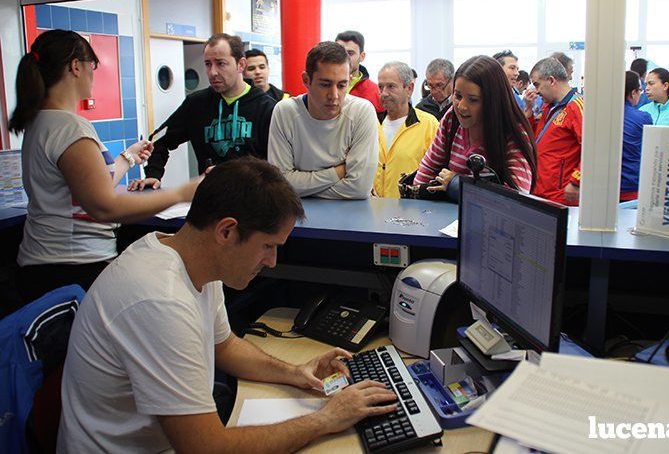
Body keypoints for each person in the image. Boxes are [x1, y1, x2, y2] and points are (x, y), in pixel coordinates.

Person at [57, 158, 398, 452]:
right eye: (268, 246)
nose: (273, 262)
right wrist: (326, 419)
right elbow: (206, 448)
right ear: (226, 232)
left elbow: (225, 345)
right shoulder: (160, 299)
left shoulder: (190, 259)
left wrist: (297, 373)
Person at [8, 30, 199, 303]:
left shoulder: (41, 122)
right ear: (76, 66)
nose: (93, 74)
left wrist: (128, 158)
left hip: (44, 265)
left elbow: (85, 189)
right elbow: (103, 206)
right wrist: (182, 193)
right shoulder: (69, 127)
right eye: (92, 66)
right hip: (71, 269)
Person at [129, 33, 276, 190]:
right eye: (207, 64)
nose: (212, 72)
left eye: (221, 64)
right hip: (210, 198)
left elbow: (276, 166)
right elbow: (160, 142)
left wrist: (231, 174)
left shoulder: (267, 107)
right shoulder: (196, 104)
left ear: (240, 65)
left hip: (254, 198)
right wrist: (153, 175)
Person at [414, 55, 536, 200]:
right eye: (457, 96)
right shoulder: (451, 118)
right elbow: (428, 167)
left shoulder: (513, 133)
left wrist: (457, 184)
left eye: (473, 100)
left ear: (493, 101)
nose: (462, 106)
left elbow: (515, 201)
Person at [268, 42, 378, 199]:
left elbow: (359, 188)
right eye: (325, 85)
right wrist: (338, 172)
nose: (334, 95)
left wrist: (301, 188)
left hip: (352, 216)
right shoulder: (285, 112)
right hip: (299, 215)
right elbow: (280, 184)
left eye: (342, 85)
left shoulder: (362, 111)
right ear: (306, 80)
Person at [523, 57, 584, 205]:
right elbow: (534, 139)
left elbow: (592, 148)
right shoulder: (548, 108)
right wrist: (529, 110)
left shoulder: (577, 106)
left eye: (537, 85)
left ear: (551, 80)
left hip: (561, 196)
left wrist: (576, 181)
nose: (536, 91)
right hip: (540, 191)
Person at [374, 62, 439, 198]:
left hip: (410, 213)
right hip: (373, 210)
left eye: (391, 86)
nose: (384, 93)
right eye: (380, 87)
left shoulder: (429, 125)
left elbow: (437, 175)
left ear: (409, 88)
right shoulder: (371, 123)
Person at [621, 71, 653, 202]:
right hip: (631, 188)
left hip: (602, 186)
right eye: (640, 90)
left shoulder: (601, 115)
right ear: (633, 93)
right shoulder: (643, 118)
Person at [335, 30, 383, 112]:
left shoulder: (376, 93)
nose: (344, 58)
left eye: (350, 53)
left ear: (362, 56)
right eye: (339, 52)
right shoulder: (322, 86)